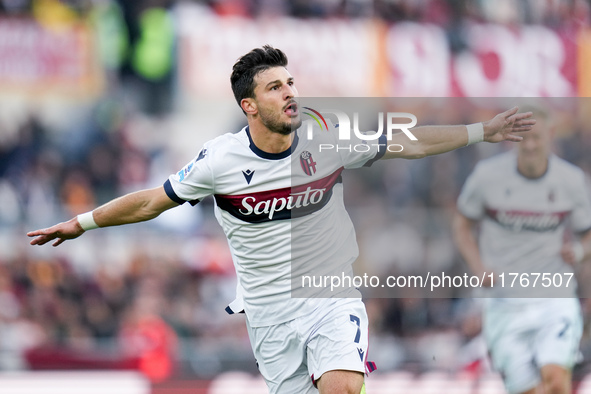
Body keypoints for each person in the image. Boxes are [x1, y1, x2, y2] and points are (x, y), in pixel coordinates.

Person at [28, 45, 535, 394]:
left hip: (329, 296)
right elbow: (152, 201)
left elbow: (408, 142)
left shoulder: (326, 135)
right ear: (249, 105)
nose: (290, 92)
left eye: (291, 82)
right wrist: (83, 222)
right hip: (268, 316)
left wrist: (479, 131)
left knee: (342, 383)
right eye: (275, 87)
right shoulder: (219, 162)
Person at [453, 106, 591, 394]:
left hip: (555, 296)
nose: (529, 145)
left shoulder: (571, 181)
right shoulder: (487, 177)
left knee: (555, 381)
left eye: (536, 137)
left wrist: (579, 252)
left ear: (551, 135)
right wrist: (478, 267)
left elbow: (588, 233)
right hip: (504, 301)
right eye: (523, 137)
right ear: (510, 138)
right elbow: (461, 225)